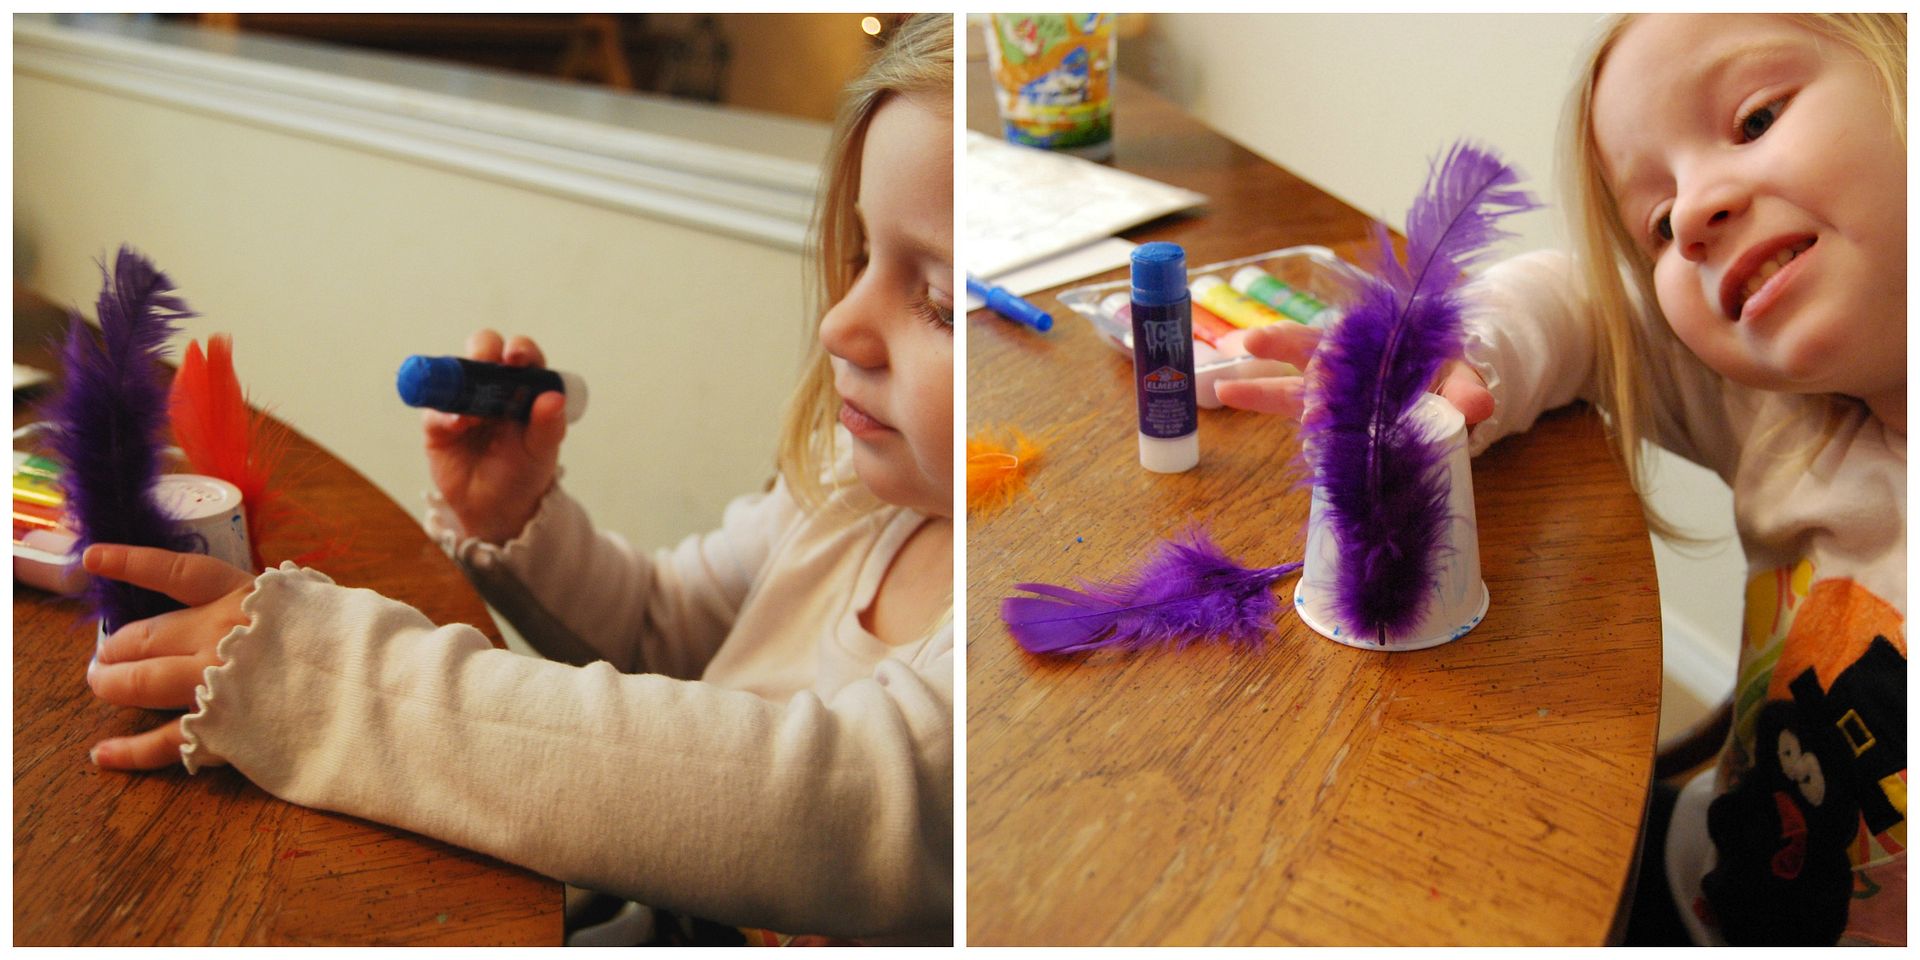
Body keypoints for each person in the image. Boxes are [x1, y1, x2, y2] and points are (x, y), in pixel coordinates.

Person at [80, 12, 955, 946]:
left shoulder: (997, 648)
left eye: (937, 300)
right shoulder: (847, 489)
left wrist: (335, 680)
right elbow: (667, 633)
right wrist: (521, 520)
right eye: (859, 257)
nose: (839, 324)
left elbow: (821, 805)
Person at [1216, 13, 1904, 947]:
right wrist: (1458, 353)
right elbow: (1582, 301)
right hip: (1695, 880)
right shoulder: (1793, 413)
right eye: (1656, 224)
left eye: (1754, 120)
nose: (1696, 214)